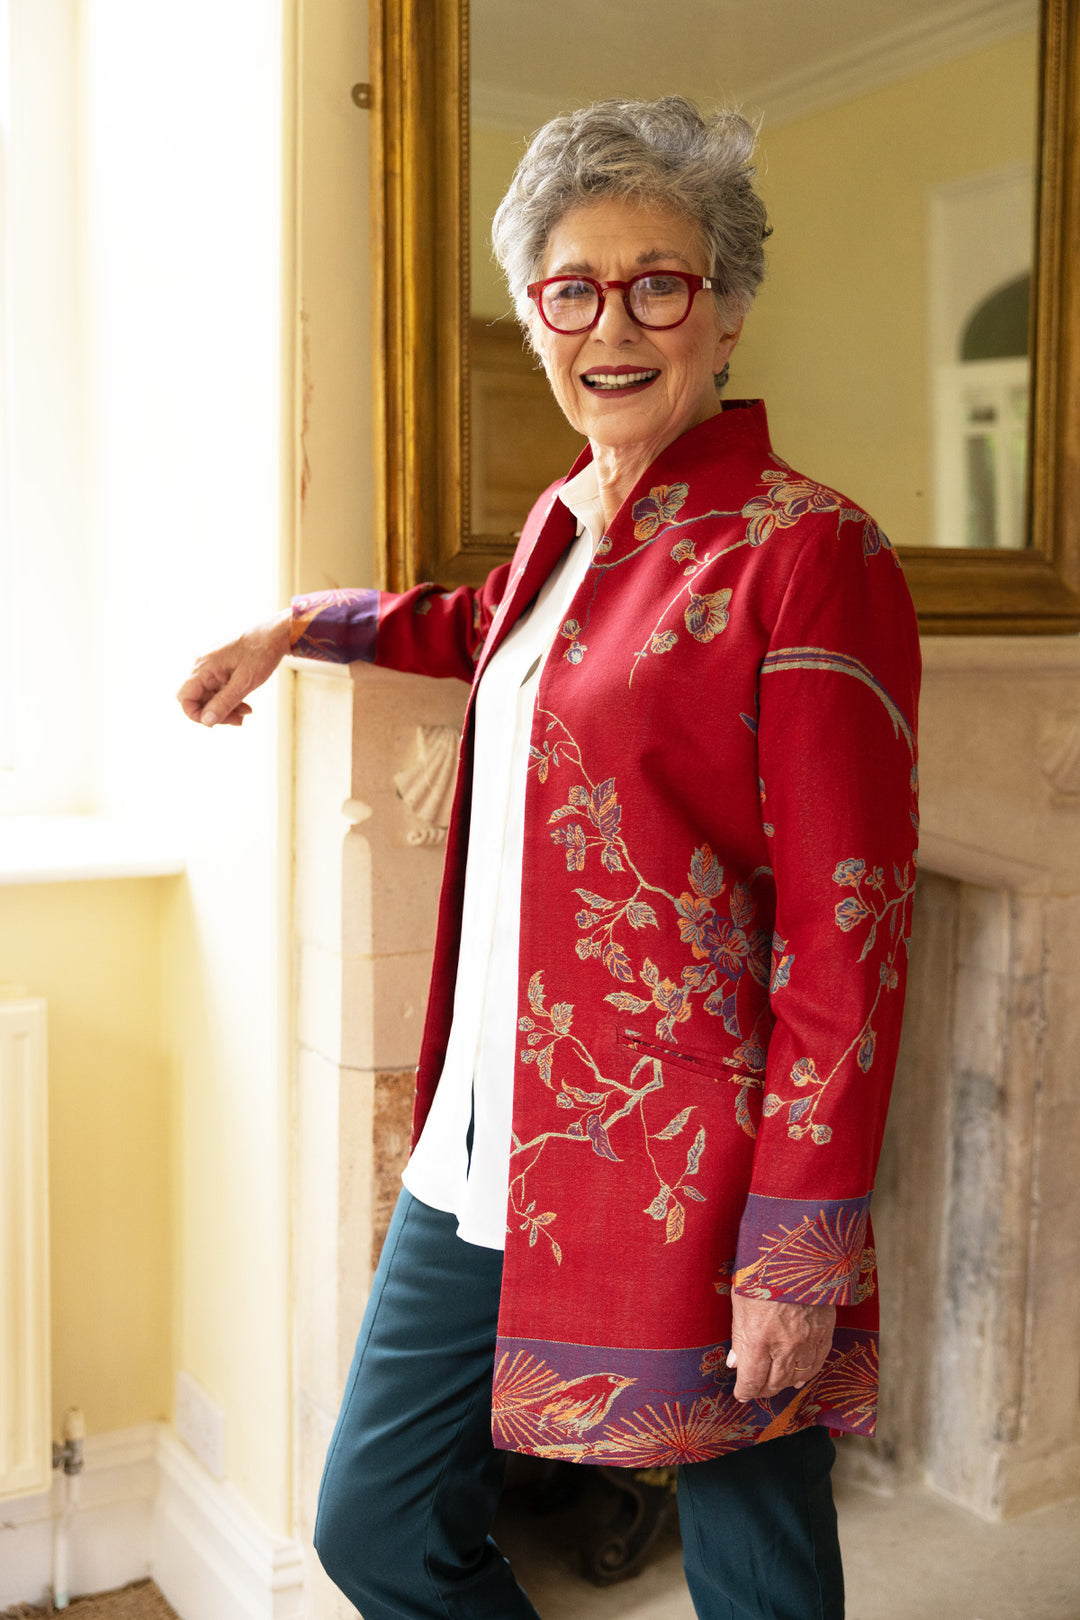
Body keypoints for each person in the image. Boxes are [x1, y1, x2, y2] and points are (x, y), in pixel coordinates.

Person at [178, 97, 920, 1620]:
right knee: (374, 1526)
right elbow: (486, 637)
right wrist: (306, 620)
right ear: (534, 318)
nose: (614, 322)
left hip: (693, 1177)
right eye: (572, 289)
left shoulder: (805, 550)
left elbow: (852, 933)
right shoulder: (569, 527)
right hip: (479, 1146)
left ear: (724, 316)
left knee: (760, 1572)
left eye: (661, 281)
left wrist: (795, 1244)